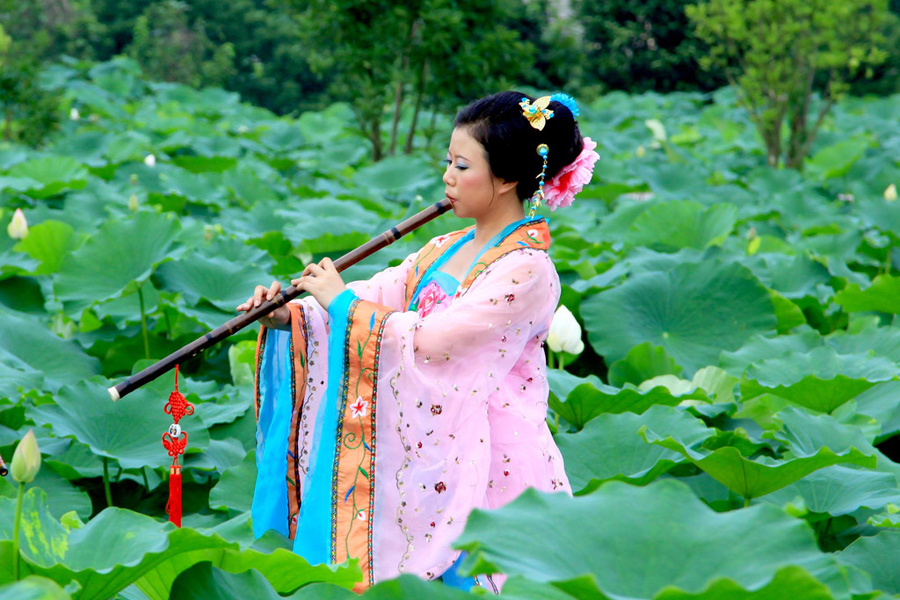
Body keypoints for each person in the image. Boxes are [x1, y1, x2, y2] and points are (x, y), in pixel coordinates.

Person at [237, 91, 599, 592]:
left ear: (508, 179)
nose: (447, 176)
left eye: (461, 165)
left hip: (495, 459)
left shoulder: (527, 270)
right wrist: (292, 315)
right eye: (447, 161)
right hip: (430, 450)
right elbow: (378, 293)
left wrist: (340, 304)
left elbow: (433, 342)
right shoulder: (445, 246)